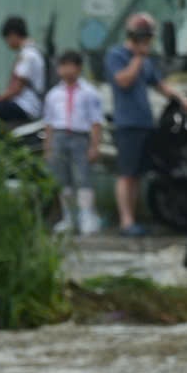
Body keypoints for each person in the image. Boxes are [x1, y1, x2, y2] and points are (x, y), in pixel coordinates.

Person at [105, 13, 187, 237]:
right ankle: (126, 221)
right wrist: (138, 58)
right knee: (126, 173)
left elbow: (160, 85)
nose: (148, 44)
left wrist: (182, 99)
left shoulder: (147, 61)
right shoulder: (117, 55)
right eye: (144, 39)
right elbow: (123, 81)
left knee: (138, 175)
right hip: (127, 123)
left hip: (145, 122)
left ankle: (134, 218)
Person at [40, 50, 106, 235]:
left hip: (80, 136)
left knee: (82, 177)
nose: (67, 70)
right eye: (63, 66)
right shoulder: (53, 94)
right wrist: (48, 147)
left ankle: (86, 216)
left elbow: (96, 122)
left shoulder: (89, 92)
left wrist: (95, 145)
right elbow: (49, 123)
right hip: (59, 137)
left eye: (71, 65)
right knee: (62, 180)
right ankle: (68, 217)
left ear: (78, 68)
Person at [0, 15, 45, 127]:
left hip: (26, 106)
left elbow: (16, 89)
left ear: (13, 35)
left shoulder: (28, 55)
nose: (8, 43)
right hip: (24, 104)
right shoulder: (31, 52)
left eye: (7, 39)